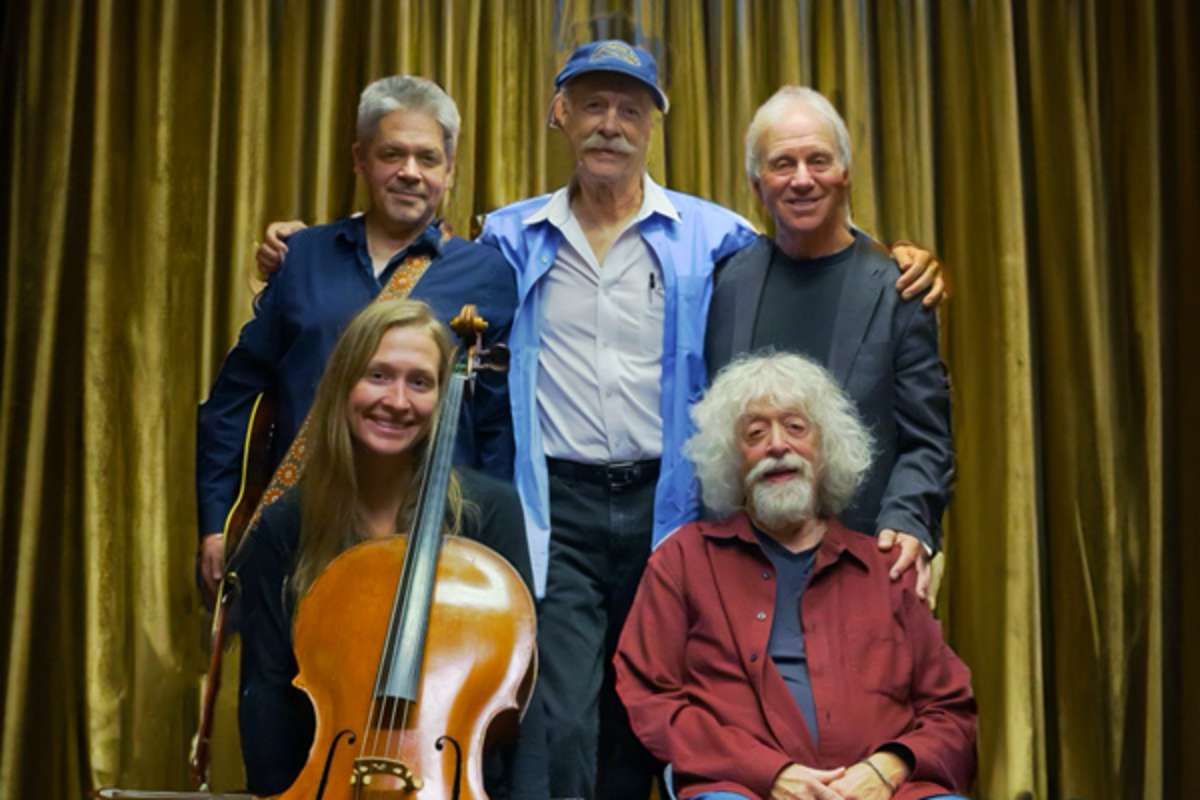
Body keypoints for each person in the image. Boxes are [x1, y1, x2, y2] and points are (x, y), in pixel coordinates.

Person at [258, 43, 945, 800]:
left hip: (673, 503)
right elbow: (416, 255)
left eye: (628, 108)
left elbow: (814, 244)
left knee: (643, 706)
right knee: (560, 715)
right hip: (559, 503)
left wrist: (900, 262)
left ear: (653, 123)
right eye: (592, 105)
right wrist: (307, 245)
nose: (610, 124)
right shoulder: (509, 239)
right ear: (561, 115)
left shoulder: (713, 236)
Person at [195, 75, 517, 599]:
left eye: (428, 159)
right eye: (393, 154)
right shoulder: (302, 258)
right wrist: (218, 519)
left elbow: (496, 423)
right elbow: (233, 400)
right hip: (304, 526)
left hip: (431, 539)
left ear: (450, 171)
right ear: (360, 160)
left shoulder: (490, 275)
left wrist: (490, 548)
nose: (410, 173)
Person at [614, 352, 976, 800]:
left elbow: (952, 711)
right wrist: (769, 772)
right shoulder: (683, 562)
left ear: (826, 450)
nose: (777, 445)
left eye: (796, 427)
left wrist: (888, 768)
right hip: (740, 788)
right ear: (733, 460)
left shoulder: (887, 568)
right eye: (755, 434)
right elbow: (651, 698)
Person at [232, 298, 547, 799]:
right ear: (342, 385)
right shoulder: (286, 525)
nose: (397, 401)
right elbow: (265, 698)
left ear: (443, 397)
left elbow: (530, 702)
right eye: (378, 375)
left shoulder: (491, 515)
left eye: (419, 382)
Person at [705, 87, 954, 602]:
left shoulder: (898, 289)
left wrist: (908, 525)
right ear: (757, 184)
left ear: (845, 173)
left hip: (863, 567)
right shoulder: (726, 282)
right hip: (743, 582)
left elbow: (927, 441)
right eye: (783, 164)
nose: (801, 179)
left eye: (818, 160)